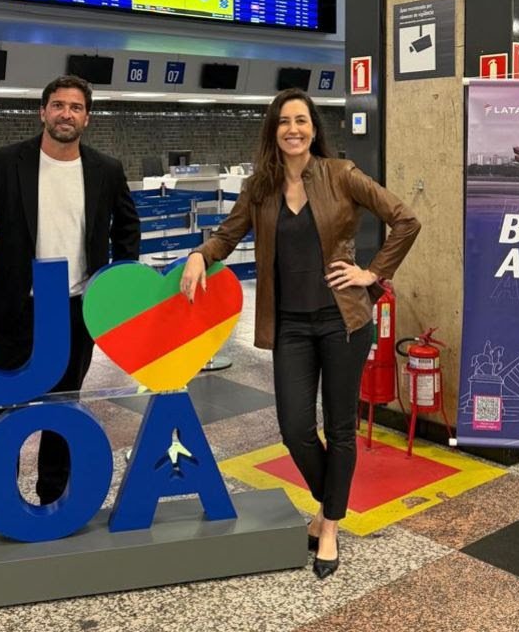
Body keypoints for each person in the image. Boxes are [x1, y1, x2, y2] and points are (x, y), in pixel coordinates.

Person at [180, 89, 420, 578]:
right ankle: (330, 502)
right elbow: (228, 235)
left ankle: (328, 525)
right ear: (273, 130)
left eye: (302, 120)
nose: (293, 129)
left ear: (313, 128)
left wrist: (372, 274)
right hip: (289, 324)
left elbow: (405, 220)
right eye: (284, 121)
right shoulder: (260, 187)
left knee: (339, 428)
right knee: (294, 429)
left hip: (343, 321)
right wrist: (199, 255)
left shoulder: (340, 174)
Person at [0, 75, 140, 506]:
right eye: (58, 105)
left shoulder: (106, 170)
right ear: (43, 112)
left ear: (87, 118)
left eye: (75, 107)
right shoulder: (6, 162)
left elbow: (127, 227)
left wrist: (121, 280)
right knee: (0, 408)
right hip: (18, 308)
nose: (66, 114)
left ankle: (53, 496)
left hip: (76, 310)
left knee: (63, 409)